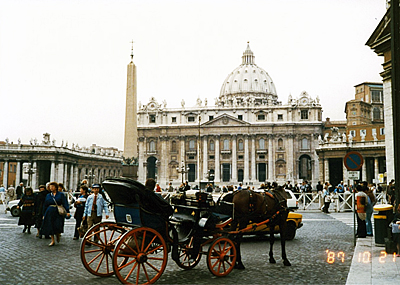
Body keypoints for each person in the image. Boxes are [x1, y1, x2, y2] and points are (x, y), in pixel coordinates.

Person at [41, 182, 71, 246]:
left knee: (57, 225)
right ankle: (52, 240)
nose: (51, 188)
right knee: (50, 225)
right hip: (49, 211)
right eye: (50, 187)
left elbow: (65, 203)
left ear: (55, 187)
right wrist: (43, 214)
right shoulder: (48, 195)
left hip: (58, 212)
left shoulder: (61, 195)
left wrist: (67, 211)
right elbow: (45, 205)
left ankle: (58, 234)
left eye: (52, 187)